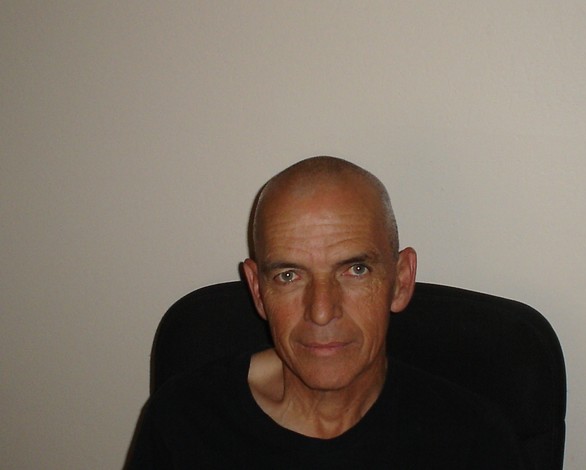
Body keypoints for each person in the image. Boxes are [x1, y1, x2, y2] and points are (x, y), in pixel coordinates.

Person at [127, 156, 525, 469]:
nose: (320, 312)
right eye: (288, 275)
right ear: (258, 291)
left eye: (355, 270)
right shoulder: (183, 424)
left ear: (401, 281)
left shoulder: (474, 442)